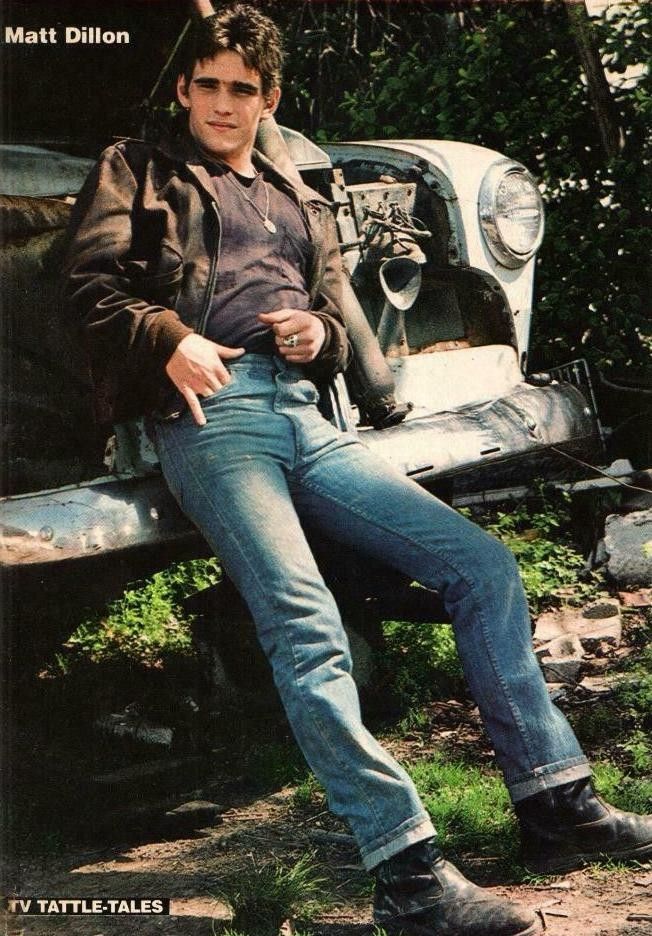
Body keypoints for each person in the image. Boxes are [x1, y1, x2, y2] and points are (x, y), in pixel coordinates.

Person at [63, 6, 652, 935]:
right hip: (211, 421)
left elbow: (337, 310)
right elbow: (88, 286)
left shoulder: (293, 190)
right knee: (306, 624)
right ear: (182, 90)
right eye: (208, 85)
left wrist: (321, 335)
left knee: (481, 566)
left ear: (271, 99)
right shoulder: (137, 169)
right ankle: (408, 875)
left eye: (243, 90)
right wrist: (168, 337)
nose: (224, 104)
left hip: (305, 415)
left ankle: (556, 807)